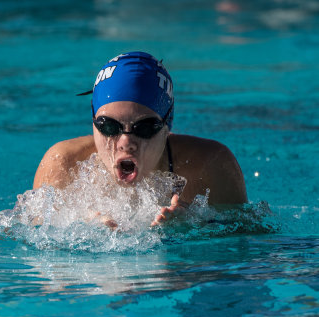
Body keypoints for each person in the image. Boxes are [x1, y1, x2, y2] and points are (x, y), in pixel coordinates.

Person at [33, 51, 247, 227]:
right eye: (109, 126)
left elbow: (249, 244)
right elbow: (27, 237)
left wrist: (197, 227)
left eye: (144, 127)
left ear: (166, 127)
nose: (125, 142)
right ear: (93, 122)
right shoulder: (63, 164)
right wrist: (80, 224)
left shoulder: (210, 165)